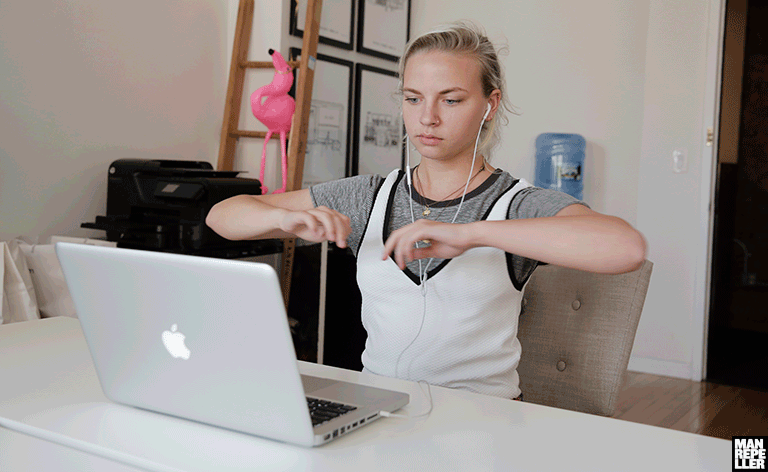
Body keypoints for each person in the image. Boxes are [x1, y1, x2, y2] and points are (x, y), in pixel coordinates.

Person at [206, 21, 647, 400]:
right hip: (379, 410)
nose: (427, 118)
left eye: (450, 100)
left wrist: (473, 234)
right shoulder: (370, 195)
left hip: (484, 422)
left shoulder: (516, 203)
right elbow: (221, 217)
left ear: (489, 106)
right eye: (413, 98)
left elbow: (624, 248)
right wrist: (282, 218)